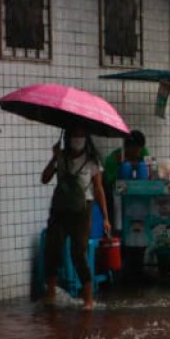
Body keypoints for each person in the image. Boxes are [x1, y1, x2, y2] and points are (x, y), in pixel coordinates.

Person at [39, 128, 107, 310]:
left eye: (81, 135)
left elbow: (98, 189)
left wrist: (105, 217)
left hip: (82, 209)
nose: (78, 139)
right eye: (75, 135)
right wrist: (54, 158)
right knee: (53, 248)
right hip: (60, 208)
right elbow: (44, 178)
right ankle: (51, 294)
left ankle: (88, 299)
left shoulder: (92, 161)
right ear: (68, 137)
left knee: (78, 252)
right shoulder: (61, 157)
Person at [103, 129, 151, 282]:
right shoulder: (113, 159)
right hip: (118, 204)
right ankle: (121, 271)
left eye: (140, 149)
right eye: (135, 149)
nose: (138, 152)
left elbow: (149, 172)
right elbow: (107, 182)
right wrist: (121, 167)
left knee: (140, 232)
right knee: (121, 234)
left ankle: (139, 269)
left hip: (139, 203)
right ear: (127, 147)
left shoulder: (144, 154)